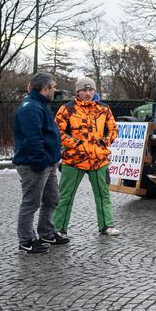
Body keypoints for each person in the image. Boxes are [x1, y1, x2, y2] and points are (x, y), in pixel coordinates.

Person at [53, 77, 120, 237]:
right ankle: (58, 228)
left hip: (99, 160)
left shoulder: (104, 109)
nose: (88, 93)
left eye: (91, 90)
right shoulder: (66, 109)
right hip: (74, 160)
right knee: (65, 195)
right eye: (84, 90)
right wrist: (75, 144)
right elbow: (57, 132)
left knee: (103, 194)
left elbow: (113, 130)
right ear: (78, 92)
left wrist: (104, 142)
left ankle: (106, 225)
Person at [13, 72, 65, 253]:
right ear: (45, 88)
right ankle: (26, 240)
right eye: (54, 87)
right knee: (31, 203)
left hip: (47, 163)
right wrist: (40, 162)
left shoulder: (39, 105)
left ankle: (46, 233)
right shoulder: (31, 108)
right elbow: (33, 139)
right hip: (35, 165)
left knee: (51, 199)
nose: (55, 90)